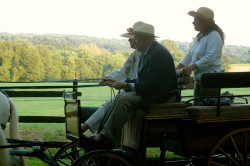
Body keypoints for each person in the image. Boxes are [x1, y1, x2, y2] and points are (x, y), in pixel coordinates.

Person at [81, 21, 178, 151]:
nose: (133, 42)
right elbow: (142, 80)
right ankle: (102, 137)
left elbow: (153, 84)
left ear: (146, 39)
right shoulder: (147, 52)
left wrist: (126, 85)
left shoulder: (158, 54)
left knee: (124, 99)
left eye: (136, 39)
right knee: (120, 97)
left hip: (162, 96)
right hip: (153, 92)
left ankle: (104, 139)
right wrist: (123, 84)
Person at [80, 28, 141, 134]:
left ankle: (94, 133)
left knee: (112, 102)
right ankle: (86, 129)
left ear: (138, 39)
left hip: (137, 91)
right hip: (133, 89)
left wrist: (123, 83)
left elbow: (138, 79)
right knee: (108, 104)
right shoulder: (135, 54)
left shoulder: (144, 54)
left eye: (131, 38)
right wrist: (107, 78)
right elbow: (123, 70)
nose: (129, 41)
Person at [176, 7, 225, 105]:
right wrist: (178, 67)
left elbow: (209, 58)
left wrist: (191, 67)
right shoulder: (199, 36)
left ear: (205, 22)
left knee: (208, 110)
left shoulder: (214, 36)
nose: (193, 23)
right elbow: (190, 55)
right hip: (199, 79)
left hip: (211, 79)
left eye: (196, 20)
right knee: (198, 107)